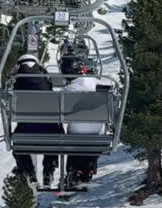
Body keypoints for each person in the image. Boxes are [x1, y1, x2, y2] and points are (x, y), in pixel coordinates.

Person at [11, 54, 62, 186]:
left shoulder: (17, 82)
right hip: (49, 130)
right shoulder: (45, 80)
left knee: (17, 145)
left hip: (25, 130)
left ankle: (29, 171)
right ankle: (48, 169)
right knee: (54, 135)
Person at [58, 55, 105, 185]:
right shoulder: (96, 83)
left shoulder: (67, 90)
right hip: (97, 133)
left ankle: (74, 170)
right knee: (91, 133)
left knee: (75, 134)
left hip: (75, 134)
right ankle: (89, 168)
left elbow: (60, 113)